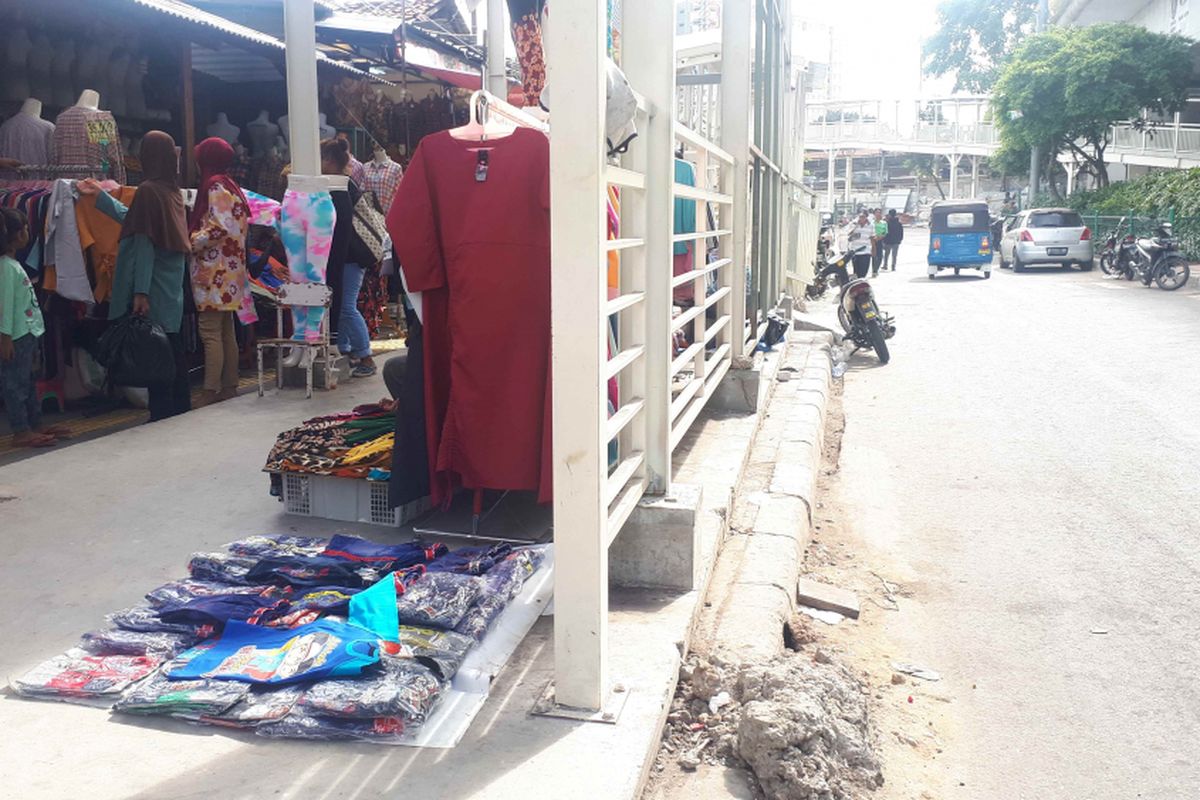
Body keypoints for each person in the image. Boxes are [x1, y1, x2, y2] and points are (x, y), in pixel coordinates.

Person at [79, 131, 192, 422]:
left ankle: (163, 417)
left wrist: (140, 291)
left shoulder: (148, 190)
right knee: (172, 350)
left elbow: (143, 243)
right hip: (171, 288)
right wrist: (101, 198)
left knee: (155, 356)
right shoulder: (170, 190)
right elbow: (136, 219)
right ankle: (181, 411)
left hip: (152, 287)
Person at [189, 136, 257, 407]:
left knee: (210, 332)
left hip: (213, 271)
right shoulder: (231, 186)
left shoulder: (215, 186)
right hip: (230, 272)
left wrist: (191, 241)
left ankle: (210, 390)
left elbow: (219, 227)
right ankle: (229, 384)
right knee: (226, 329)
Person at [0, 208, 69, 447]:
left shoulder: (12, 265)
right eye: (26, 228)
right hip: (16, 335)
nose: (29, 232)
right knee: (15, 383)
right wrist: (5, 337)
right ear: (16, 235)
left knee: (28, 381)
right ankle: (21, 429)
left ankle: (35, 424)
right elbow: (5, 306)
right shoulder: (6, 268)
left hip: (26, 333)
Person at [321, 137, 378, 378]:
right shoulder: (345, 183)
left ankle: (366, 356)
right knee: (343, 304)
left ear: (329, 160)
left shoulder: (340, 186)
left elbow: (342, 228)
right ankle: (346, 351)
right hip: (351, 256)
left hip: (350, 256)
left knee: (345, 306)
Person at [844, 210, 875, 279]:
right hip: (855, 251)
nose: (861, 218)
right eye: (860, 217)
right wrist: (855, 226)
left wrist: (873, 249)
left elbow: (872, 238)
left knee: (863, 272)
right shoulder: (853, 224)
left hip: (865, 251)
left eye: (863, 217)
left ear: (866, 217)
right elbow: (847, 234)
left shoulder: (871, 226)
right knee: (856, 272)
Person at [871, 208, 887, 276]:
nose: (878, 214)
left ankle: (876, 269)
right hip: (873, 241)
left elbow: (885, 232)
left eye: (879, 212)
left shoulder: (884, 223)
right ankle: (874, 270)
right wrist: (874, 238)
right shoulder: (872, 222)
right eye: (877, 212)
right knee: (874, 256)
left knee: (880, 256)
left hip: (880, 240)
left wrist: (880, 237)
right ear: (874, 214)